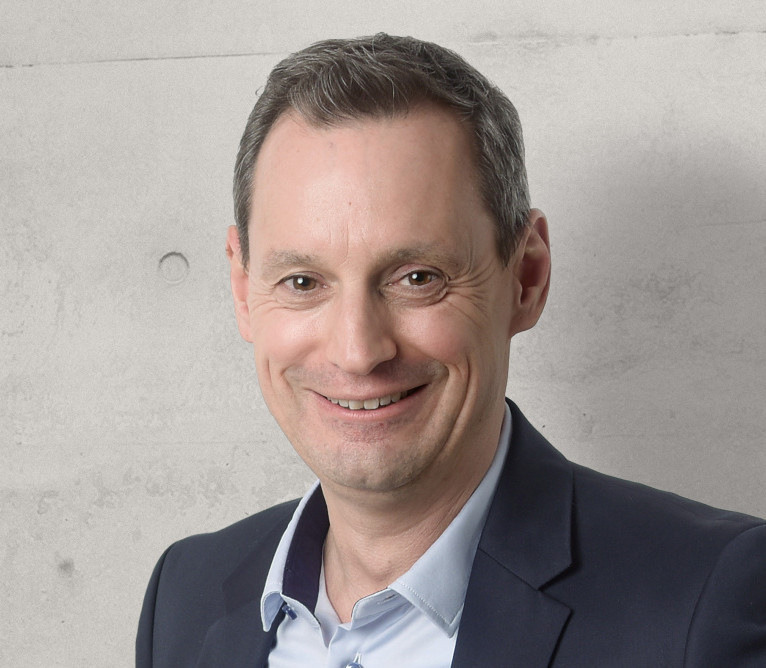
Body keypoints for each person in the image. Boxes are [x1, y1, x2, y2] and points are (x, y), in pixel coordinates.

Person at [136, 34, 766, 667]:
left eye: (417, 278)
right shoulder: (184, 599)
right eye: (303, 282)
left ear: (526, 278)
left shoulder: (707, 602)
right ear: (243, 289)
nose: (357, 352)